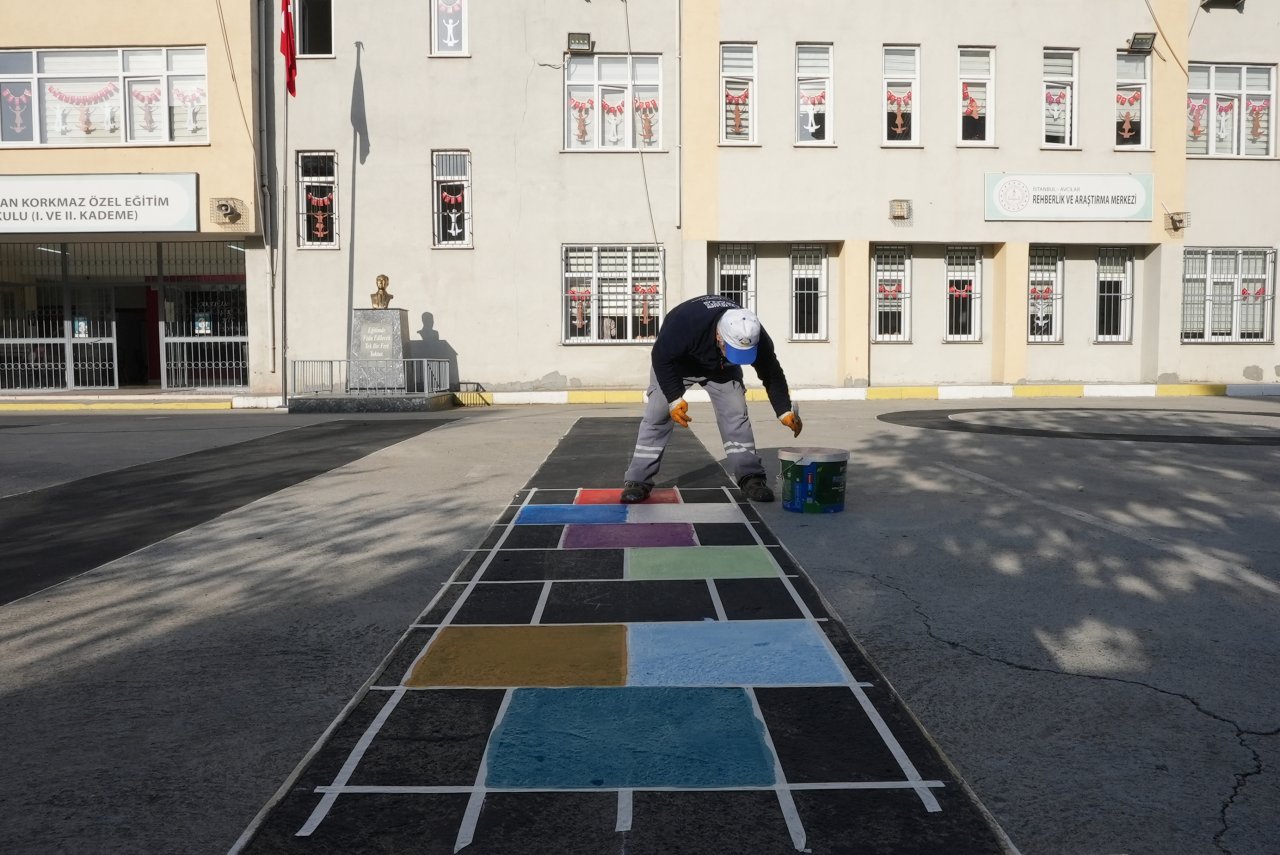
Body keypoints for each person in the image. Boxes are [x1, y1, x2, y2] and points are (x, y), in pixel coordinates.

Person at [621, 295, 802, 503]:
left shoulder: (752, 332)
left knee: (736, 414)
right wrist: (674, 399)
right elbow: (661, 358)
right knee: (657, 416)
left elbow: (771, 371)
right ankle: (638, 481)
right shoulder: (686, 325)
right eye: (733, 349)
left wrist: (784, 410)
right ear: (719, 336)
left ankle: (751, 477)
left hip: (721, 369)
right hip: (677, 366)